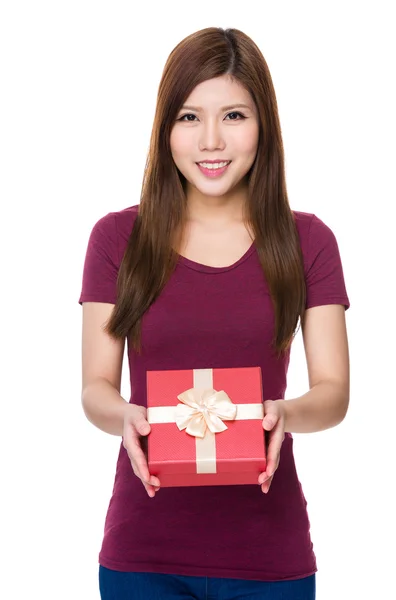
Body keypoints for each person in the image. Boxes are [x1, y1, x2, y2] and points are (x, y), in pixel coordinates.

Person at [79, 26, 350, 600]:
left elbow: (333, 392)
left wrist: (284, 413)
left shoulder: (308, 241)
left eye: (232, 116)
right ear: (165, 128)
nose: (210, 142)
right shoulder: (115, 238)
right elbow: (96, 388)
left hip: (269, 557)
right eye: (188, 117)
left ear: (263, 126)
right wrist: (126, 416)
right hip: (142, 556)